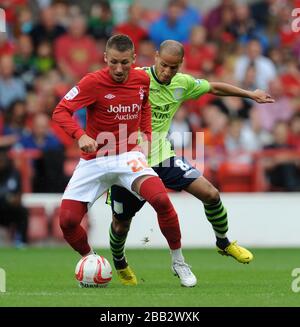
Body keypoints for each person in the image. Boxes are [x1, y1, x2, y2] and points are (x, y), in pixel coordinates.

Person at [107, 40, 275, 287]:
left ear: (180, 66)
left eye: (173, 68)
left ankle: (223, 242)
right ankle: (120, 262)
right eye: (163, 65)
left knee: (211, 194)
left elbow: (214, 88)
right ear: (155, 57)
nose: (166, 72)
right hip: (130, 161)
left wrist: (250, 94)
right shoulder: (135, 77)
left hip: (162, 157)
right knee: (121, 225)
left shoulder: (182, 83)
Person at [52, 35, 196, 287]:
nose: (119, 69)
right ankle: (91, 261)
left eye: (125, 63)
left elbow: (144, 106)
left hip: (128, 156)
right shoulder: (92, 82)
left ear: (134, 60)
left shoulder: (142, 79)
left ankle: (179, 261)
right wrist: (80, 134)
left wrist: (148, 134)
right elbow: (60, 111)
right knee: (67, 221)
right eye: (114, 62)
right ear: (106, 58)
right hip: (94, 160)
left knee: (161, 199)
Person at [0, 146, 28, 246]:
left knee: (23, 211)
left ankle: (21, 242)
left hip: (8, 208)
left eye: (3, 158)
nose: (1, 160)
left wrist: (15, 200)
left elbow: (19, 195)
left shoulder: (14, 173)